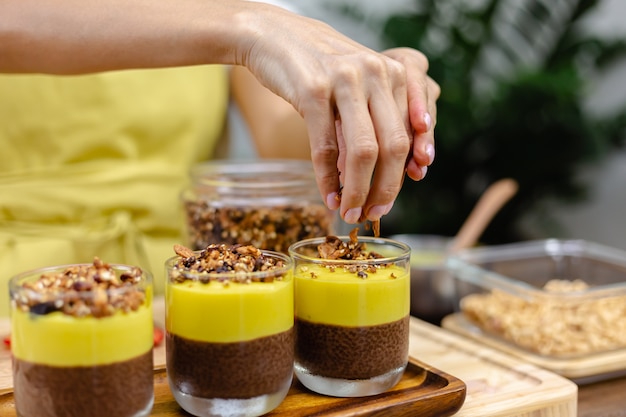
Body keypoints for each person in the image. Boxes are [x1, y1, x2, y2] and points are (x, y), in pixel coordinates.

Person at [0, 0, 439, 314]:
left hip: (184, 286)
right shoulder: (238, 17)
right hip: (16, 287)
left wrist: (363, 99)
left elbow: (286, 140)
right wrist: (245, 23)